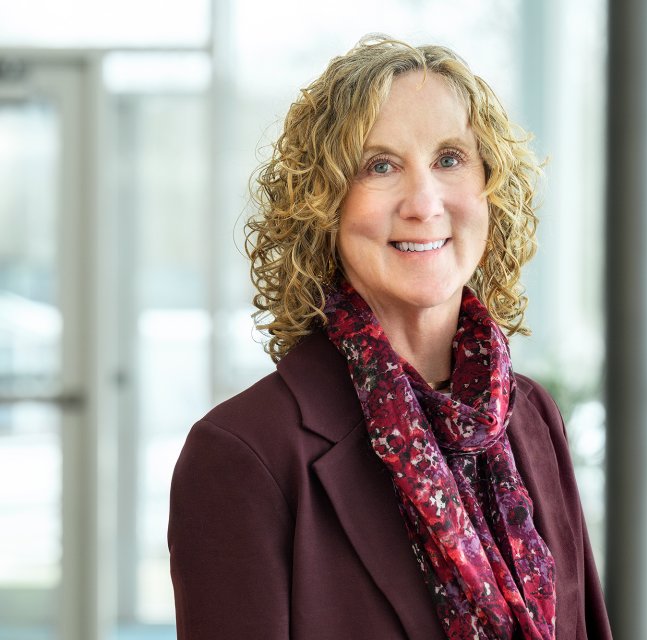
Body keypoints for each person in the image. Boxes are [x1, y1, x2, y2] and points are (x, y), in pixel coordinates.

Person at [168, 35, 611, 640]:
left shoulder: (531, 416)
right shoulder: (244, 456)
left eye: (450, 158)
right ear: (322, 204)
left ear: (490, 187)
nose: (425, 203)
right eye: (380, 165)